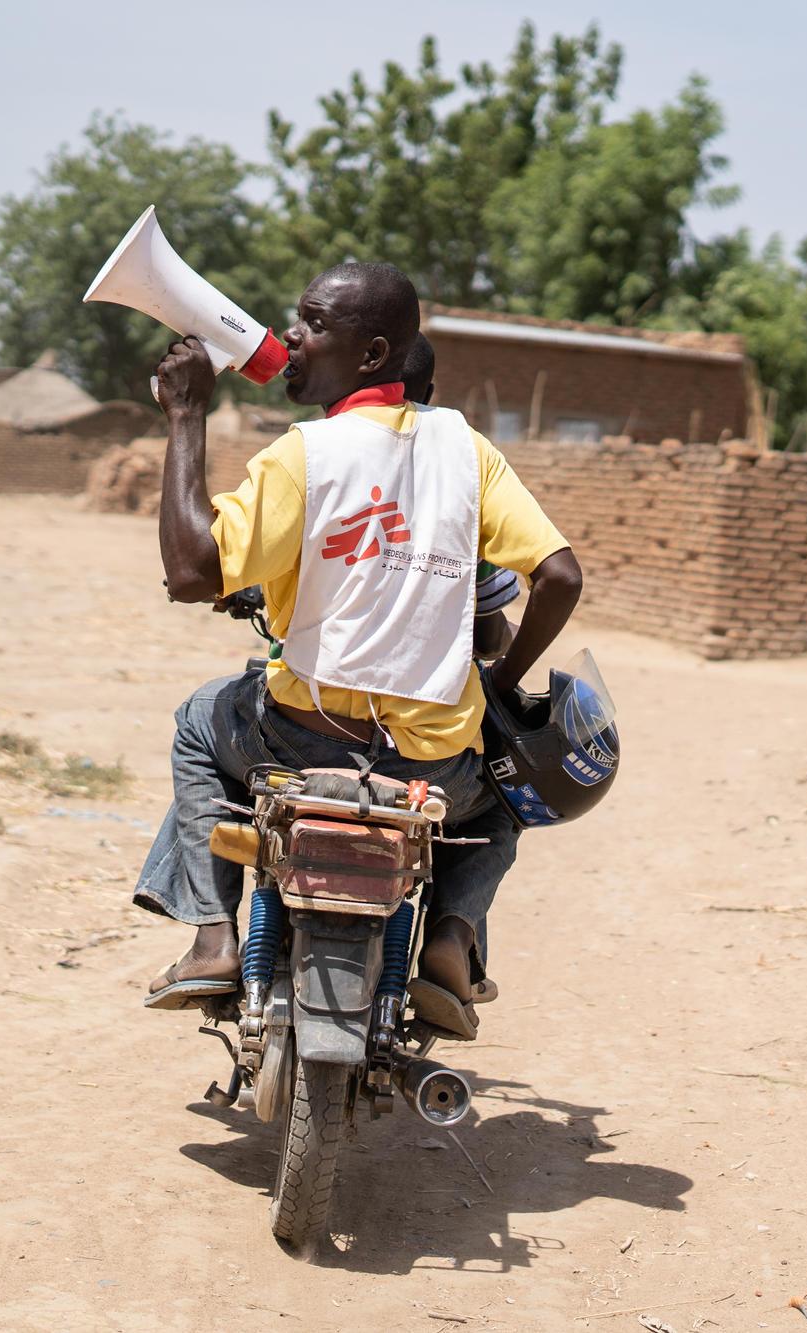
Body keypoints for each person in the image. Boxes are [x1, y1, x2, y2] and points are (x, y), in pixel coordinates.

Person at [135, 261, 583, 1033]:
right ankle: (451, 936)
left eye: (311, 323)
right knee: (507, 786)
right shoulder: (466, 450)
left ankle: (213, 937)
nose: (292, 338)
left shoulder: (305, 454)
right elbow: (561, 576)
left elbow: (189, 572)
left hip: (302, 738)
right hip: (431, 764)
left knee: (201, 718)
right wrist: (501, 682)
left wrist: (185, 418)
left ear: (372, 356)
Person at [400, 334, 519, 658]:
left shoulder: (312, 457)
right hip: (429, 699)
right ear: (427, 395)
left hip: (305, 697)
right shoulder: (464, 477)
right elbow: (488, 639)